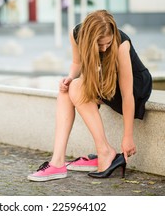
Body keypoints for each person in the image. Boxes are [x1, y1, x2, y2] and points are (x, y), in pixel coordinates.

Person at [27, 10, 152, 181]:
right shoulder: (77, 34)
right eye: (99, 45)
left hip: (135, 88)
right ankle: (57, 162)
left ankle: (105, 152)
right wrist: (69, 77)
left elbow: (127, 94)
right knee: (67, 89)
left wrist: (128, 136)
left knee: (77, 87)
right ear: (88, 39)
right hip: (106, 82)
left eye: (107, 44)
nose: (104, 48)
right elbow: (77, 63)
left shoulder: (121, 43)